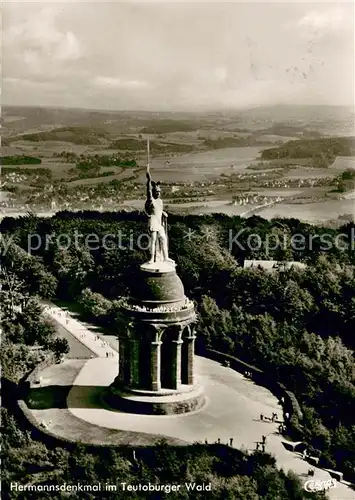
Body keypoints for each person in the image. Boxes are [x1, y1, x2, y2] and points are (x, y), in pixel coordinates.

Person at [145, 166, 174, 264]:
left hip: (159, 221)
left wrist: (163, 212)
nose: (158, 193)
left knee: (163, 239)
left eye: (159, 192)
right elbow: (148, 191)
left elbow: (159, 209)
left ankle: (166, 257)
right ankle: (151, 258)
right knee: (153, 241)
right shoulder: (151, 200)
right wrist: (149, 180)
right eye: (156, 192)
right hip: (153, 221)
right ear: (153, 192)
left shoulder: (160, 201)